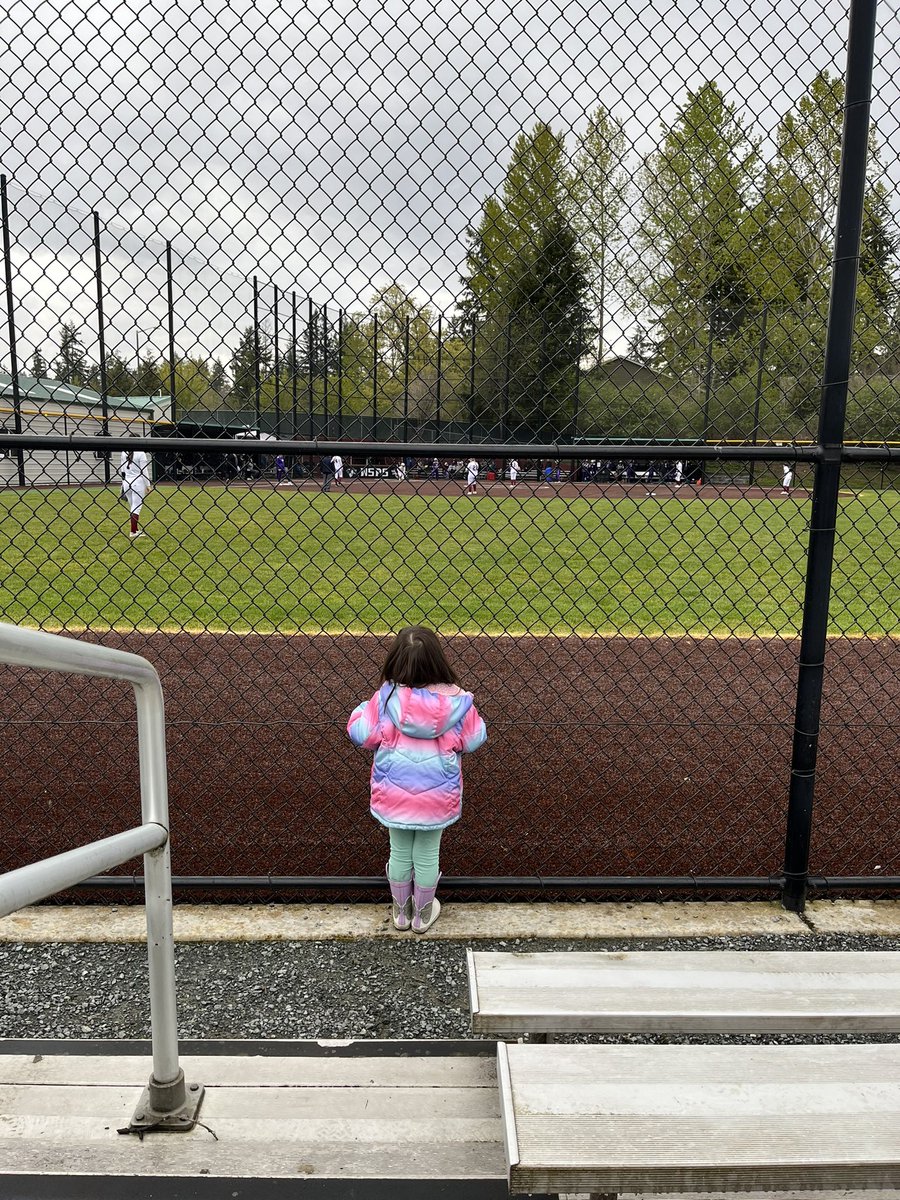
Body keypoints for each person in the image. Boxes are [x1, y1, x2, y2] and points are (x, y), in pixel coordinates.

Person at [347, 626, 487, 932]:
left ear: (395, 661)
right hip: (436, 797)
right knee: (426, 854)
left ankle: (401, 913)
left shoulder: (385, 699)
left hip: (394, 794)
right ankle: (422, 915)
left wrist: (361, 710)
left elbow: (362, 734)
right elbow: (475, 738)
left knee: (399, 851)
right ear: (438, 661)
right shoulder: (459, 703)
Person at [120, 444, 152, 539]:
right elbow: (144, 470)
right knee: (136, 507)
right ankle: (133, 531)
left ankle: (136, 529)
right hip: (138, 481)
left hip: (127, 481)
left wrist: (123, 483)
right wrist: (148, 484)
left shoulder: (124, 453)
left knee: (132, 506)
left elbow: (122, 470)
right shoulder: (141, 453)